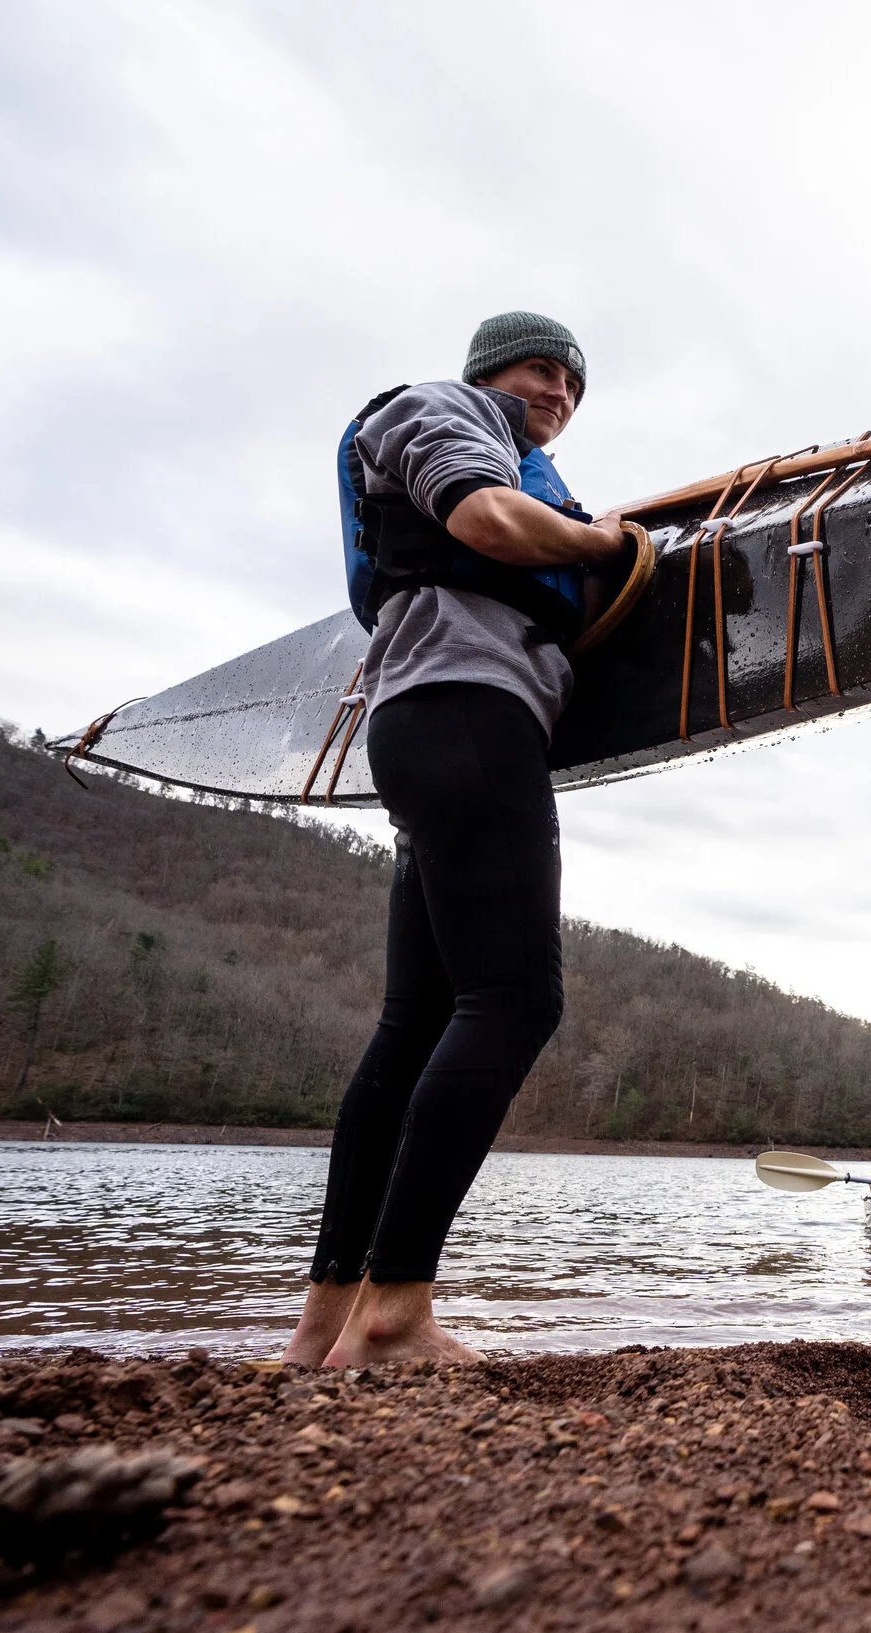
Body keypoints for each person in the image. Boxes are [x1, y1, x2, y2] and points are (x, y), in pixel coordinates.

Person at [279, 311, 635, 1367]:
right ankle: (396, 1314)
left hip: (429, 726)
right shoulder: (441, 408)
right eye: (542, 369)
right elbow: (484, 519)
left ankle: (326, 1325)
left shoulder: (510, 450)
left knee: (418, 1020)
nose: (559, 392)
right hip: (468, 714)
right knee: (516, 999)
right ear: (488, 370)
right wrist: (604, 542)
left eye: (574, 383)